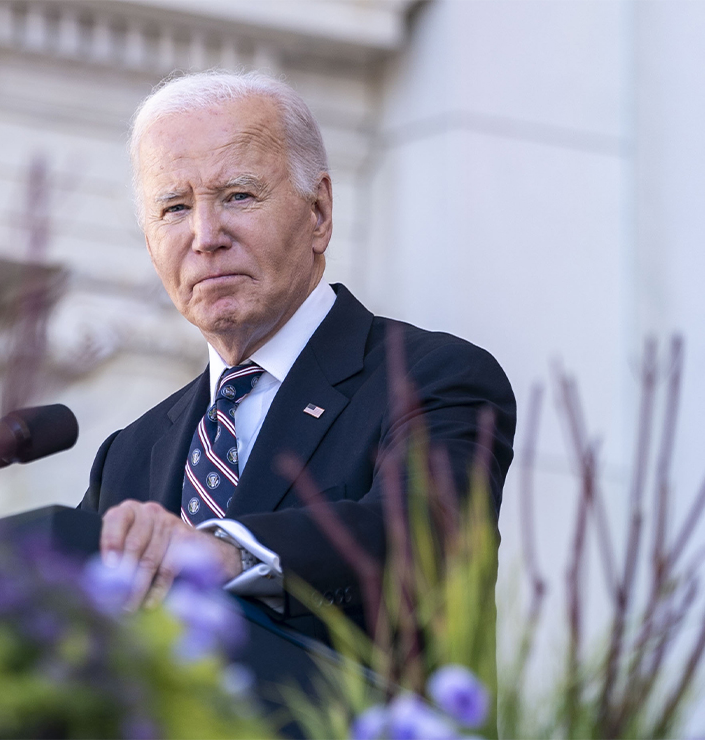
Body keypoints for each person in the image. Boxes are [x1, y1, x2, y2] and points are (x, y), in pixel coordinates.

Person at [79, 70, 516, 641]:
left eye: (237, 196)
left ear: (319, 213)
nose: (206, 235)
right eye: (175, 209)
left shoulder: (433, 377)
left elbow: (424, 535)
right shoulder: (128, 456)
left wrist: (223, 554)